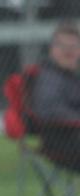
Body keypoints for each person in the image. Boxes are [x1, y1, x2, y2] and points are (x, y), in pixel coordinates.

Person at [29, 20, 80, 171]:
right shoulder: (49, 78)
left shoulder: (70, 76)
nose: (69, 52)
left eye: (74, 47)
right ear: (52, 50)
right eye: (63, 46)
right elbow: (50, 109)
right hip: (64, 145)